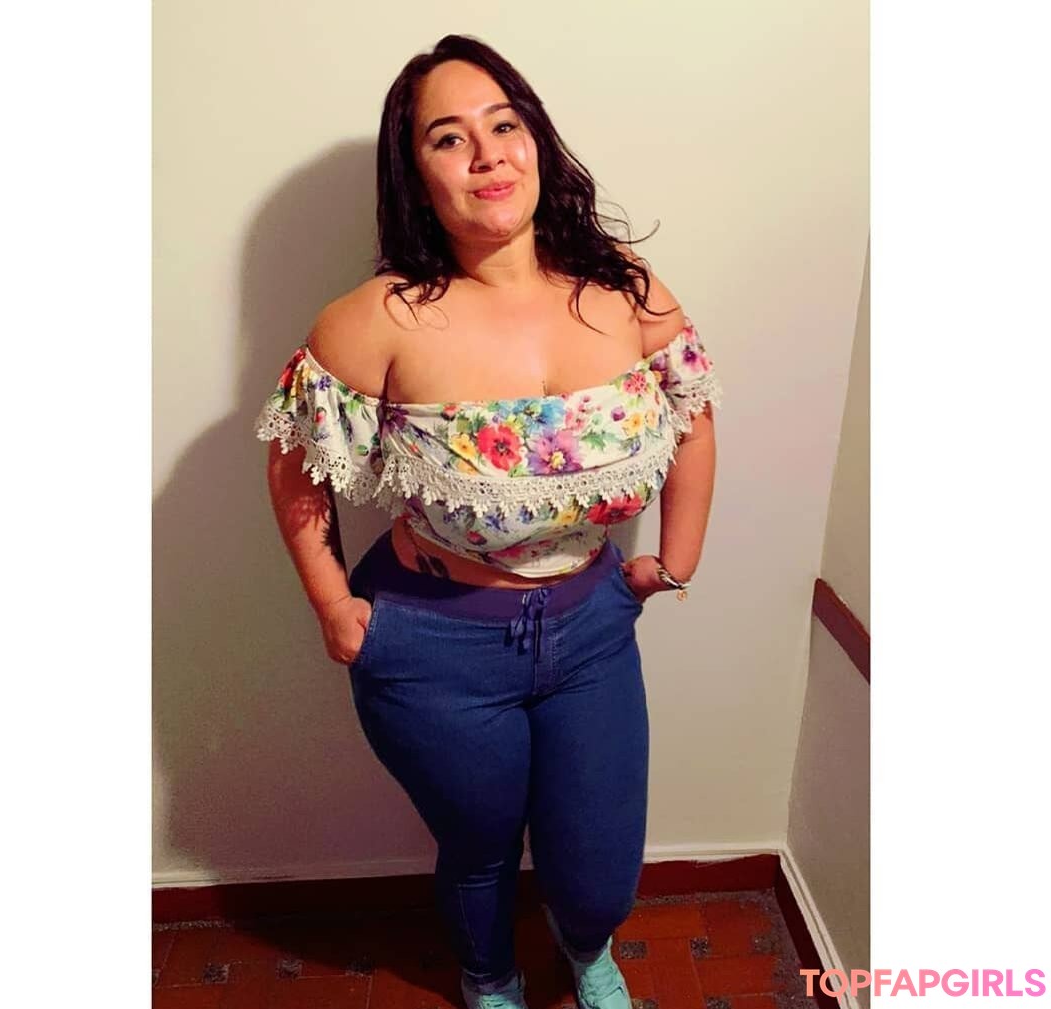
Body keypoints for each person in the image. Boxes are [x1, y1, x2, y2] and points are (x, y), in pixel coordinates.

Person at [255, 34, 721, 1009]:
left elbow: (693, 412)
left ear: (536, 140)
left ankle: (586, 948)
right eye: (448, 137)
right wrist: (333, 604)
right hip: (432, 642)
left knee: (599, 852)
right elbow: (296, 462)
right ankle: (489, 974)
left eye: (504, 125)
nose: (487, 155)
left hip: (592, 627)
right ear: (415, 174)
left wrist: (672, 563)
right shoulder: (375, 319)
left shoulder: (626, 288)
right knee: (477, 843)